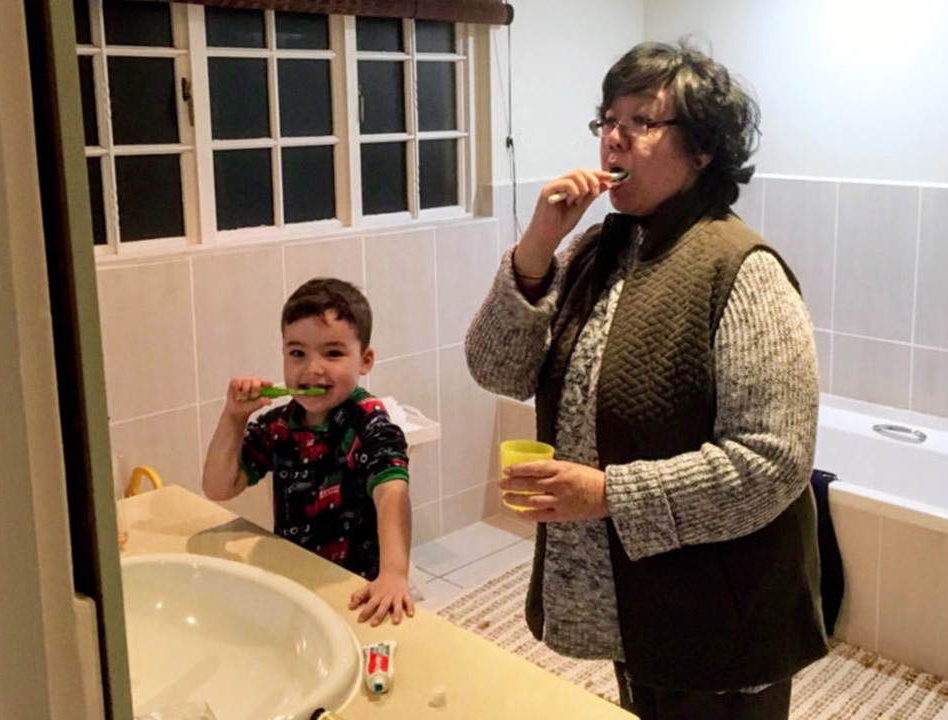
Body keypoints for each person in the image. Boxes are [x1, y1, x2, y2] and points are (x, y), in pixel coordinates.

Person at [465, 41, 826, 719]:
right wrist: (536, 249)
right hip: (629, 601)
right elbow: (496, 368)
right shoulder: (596, 249)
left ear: (702, 150)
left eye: (642, 120)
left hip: (722, 610)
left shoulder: (742, 268)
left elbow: (773, 464)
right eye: (607, 118)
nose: (614, 135)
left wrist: (608, 493)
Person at [203, 278, 414, 626]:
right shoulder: (279, 426)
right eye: (297, 353)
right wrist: (233, 417)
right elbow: (219, 488)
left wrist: (394, 574)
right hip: (295, 581)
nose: (312, 368)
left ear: (365, 360)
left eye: (333, 353)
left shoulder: (368, 422)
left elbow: (392, 491)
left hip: (357, 588)